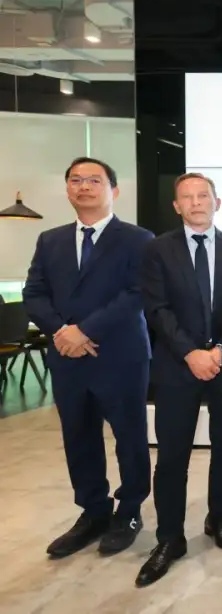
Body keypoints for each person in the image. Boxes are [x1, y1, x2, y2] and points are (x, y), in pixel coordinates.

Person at [23, 157, 154, 558]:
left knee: (129, 439)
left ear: (114, 190)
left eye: (94, 180)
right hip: (68, 357)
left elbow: (137, 294)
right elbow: (34, 293)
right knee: (78, 438)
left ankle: (129, 511)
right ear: (67, 189)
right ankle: (93, 511)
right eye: (76, 180)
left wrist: (85, 331)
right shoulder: (50, 240)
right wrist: (62, 332)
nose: (84, 187)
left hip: (121, 357)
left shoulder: (139, 239)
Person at [135, 173, 222, 587]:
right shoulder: (156, 249)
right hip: (176, 366)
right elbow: (156, 308)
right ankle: (169, 537)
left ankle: (218, 516)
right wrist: (191, 353)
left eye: (204, 196)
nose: (197, 202)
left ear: (217, 203)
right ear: (176, 206)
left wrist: (219, 349)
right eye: (188, 197)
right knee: (171, 457)